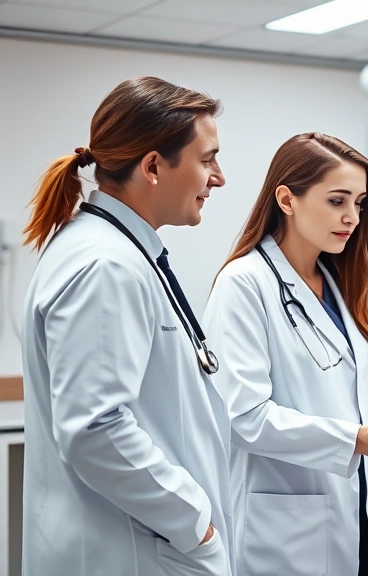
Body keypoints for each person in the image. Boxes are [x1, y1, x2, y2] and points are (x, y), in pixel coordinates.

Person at [21, 76, 232, 575]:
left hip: (143, 542)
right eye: (207, 160)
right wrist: (195, 523)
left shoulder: (118, 252)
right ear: (153, 166)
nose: (219, 178)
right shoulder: (105, 264)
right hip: (135, 551)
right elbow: (95, 429)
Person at [202, 133, 368, 576]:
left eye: (360, 203)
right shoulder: (245, 283)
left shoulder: (342, 282)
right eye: (336, 201)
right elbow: (242, 417)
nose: (352, 217)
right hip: (287, 529)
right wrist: (356, 440)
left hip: (361, 513)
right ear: (287, 200)